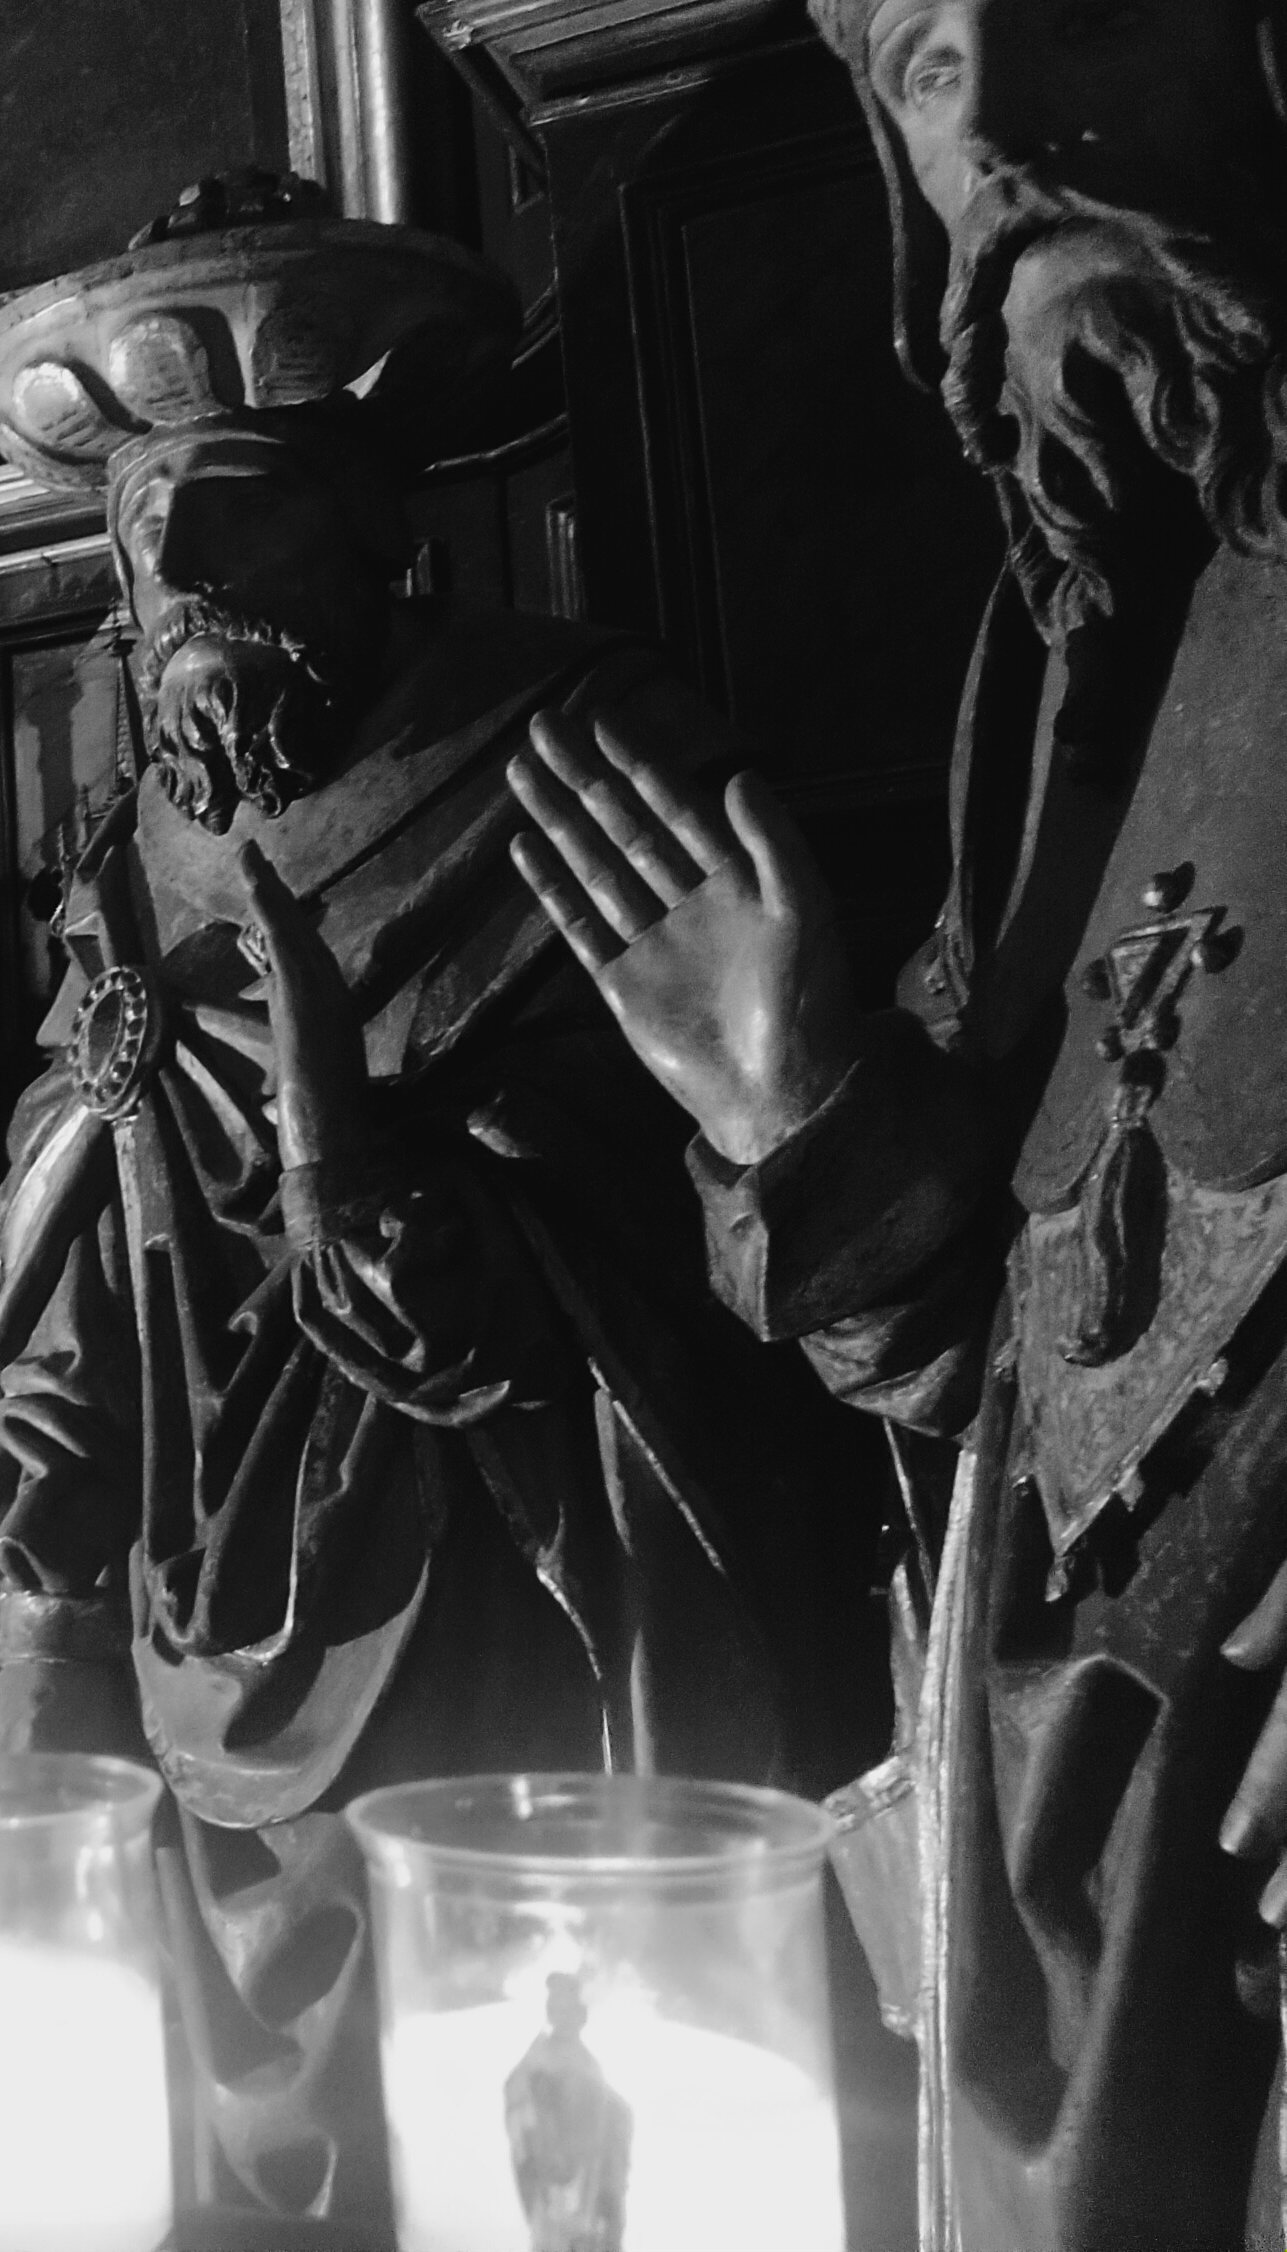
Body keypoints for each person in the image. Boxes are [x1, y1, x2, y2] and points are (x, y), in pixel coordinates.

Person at [0, 173, 884, 2220]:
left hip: (498, 1598)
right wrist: (42, 1582)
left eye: (235, 506)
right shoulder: (130, 859)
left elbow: (710, 1189)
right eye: (140, 523)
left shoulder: (570, 753)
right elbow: (74, 1193)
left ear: (379, 527)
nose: (176, 565)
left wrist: (419, 1222)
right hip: (194, 1634)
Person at [506, 2, 1287, 2237]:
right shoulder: (1075, 668)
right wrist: (802, 1108)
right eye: (936, 69)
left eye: (1088, 14)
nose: (1012, 135)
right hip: (1072, 1923)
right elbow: (1026, 1394)